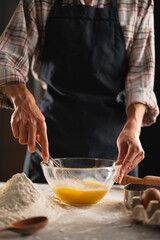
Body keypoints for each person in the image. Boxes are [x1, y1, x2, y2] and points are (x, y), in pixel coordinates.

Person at [0, 0, 159, 183]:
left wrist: (133, 127)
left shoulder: (138, 3)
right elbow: (5, 59)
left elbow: (141, 78)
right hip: (50, 149)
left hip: (113, 156)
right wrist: (22, 100)